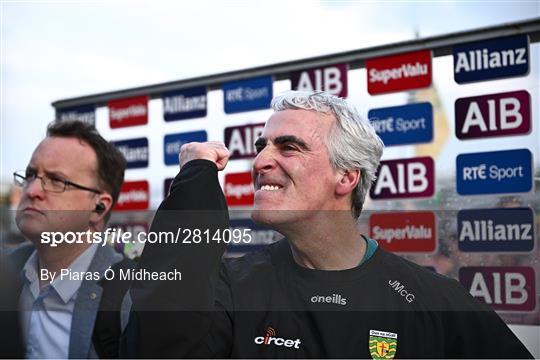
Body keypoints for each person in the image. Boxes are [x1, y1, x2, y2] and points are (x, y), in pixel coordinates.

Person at [125, 91, 532, 358]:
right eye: (262, 146)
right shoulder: (234, 289)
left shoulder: (432, 301)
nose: (261, 161)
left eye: (289, 147)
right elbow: (159, 346)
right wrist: (195, 183)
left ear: (346, 177)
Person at [8, 120, 130, 358]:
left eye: (57, 181)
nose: (32, 190)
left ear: (99, 207)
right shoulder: (7, 273)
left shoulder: (130, 301)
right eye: (31, 174)